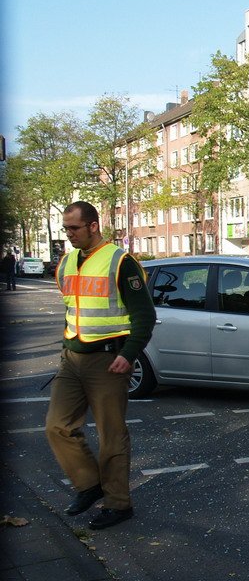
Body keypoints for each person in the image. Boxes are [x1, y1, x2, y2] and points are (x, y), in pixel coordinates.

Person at [45, 201, 156, 530]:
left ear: (93, 226)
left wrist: (130, 353)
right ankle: (90, 485)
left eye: (74, 228)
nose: (69, 235)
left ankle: (118, 504)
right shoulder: (66, 263)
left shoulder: (120, 262)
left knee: (112, 435)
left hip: (108, 360)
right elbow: (72, 308)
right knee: (57, 426)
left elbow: (144, 315)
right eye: (66, 229)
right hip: (72, 357)